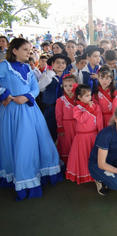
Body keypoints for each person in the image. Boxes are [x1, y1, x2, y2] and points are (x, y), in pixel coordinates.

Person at [0, 38, 62, 201]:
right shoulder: (4, 66)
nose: (29, 52)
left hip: (30, 110)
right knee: (21, 144)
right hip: (13, 112)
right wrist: (7, 95)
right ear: (15, 50)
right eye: (25, 49)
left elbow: (34, 87)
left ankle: (40, 172)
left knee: (40, 141)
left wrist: (26, 97)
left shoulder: (27, 67)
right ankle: (24, 179)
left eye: (29, 49)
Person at [66, 84, 103, 184]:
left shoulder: (96, 107)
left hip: (93, 136)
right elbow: (81, 119)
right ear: (79, 97)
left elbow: (99, 122)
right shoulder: (77, 109)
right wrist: (88, 109)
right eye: (86, 96)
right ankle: (84, 174)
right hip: (82, 137)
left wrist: (100, 133)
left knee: (93, 155)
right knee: (83, 156)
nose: (89, 97)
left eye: (90, 95)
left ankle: (94, 174)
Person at [39, 54, 72, 142]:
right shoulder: (47, 76)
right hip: (51, 108)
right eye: (58, 63)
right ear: (52, 64)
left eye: (63, 63)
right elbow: (40, 88)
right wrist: (50, 75)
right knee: (49, 132)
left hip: (65, 109)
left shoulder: (68, 77)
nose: (60, 65)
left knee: (63, 133)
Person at [55, 74, 77, 165]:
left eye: (70, 85)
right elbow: (58, 115)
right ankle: (67, 165)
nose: (68, 88)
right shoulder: (60, 100)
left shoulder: (79, 99)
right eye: (65, 86)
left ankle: (76, 164)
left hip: (77, 125)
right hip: (66, 126)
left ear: (76, 85)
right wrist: (60, 127)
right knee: (66, 145)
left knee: (76, 144)